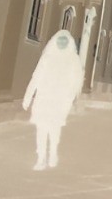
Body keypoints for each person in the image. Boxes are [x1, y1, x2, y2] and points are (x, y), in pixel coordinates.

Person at [23, 29, 85, 169]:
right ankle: (41, 158)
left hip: (59, 100)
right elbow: (36, 77)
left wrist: (70, 98)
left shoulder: (73, 59)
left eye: (64, 40)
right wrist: (28, 97)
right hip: (44, 98)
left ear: (69, 42)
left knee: (54, 128)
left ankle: (53, 153)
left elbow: (76, 81)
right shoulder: (47, 57)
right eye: (59, 40)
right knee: (41, 128)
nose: (61, 43)